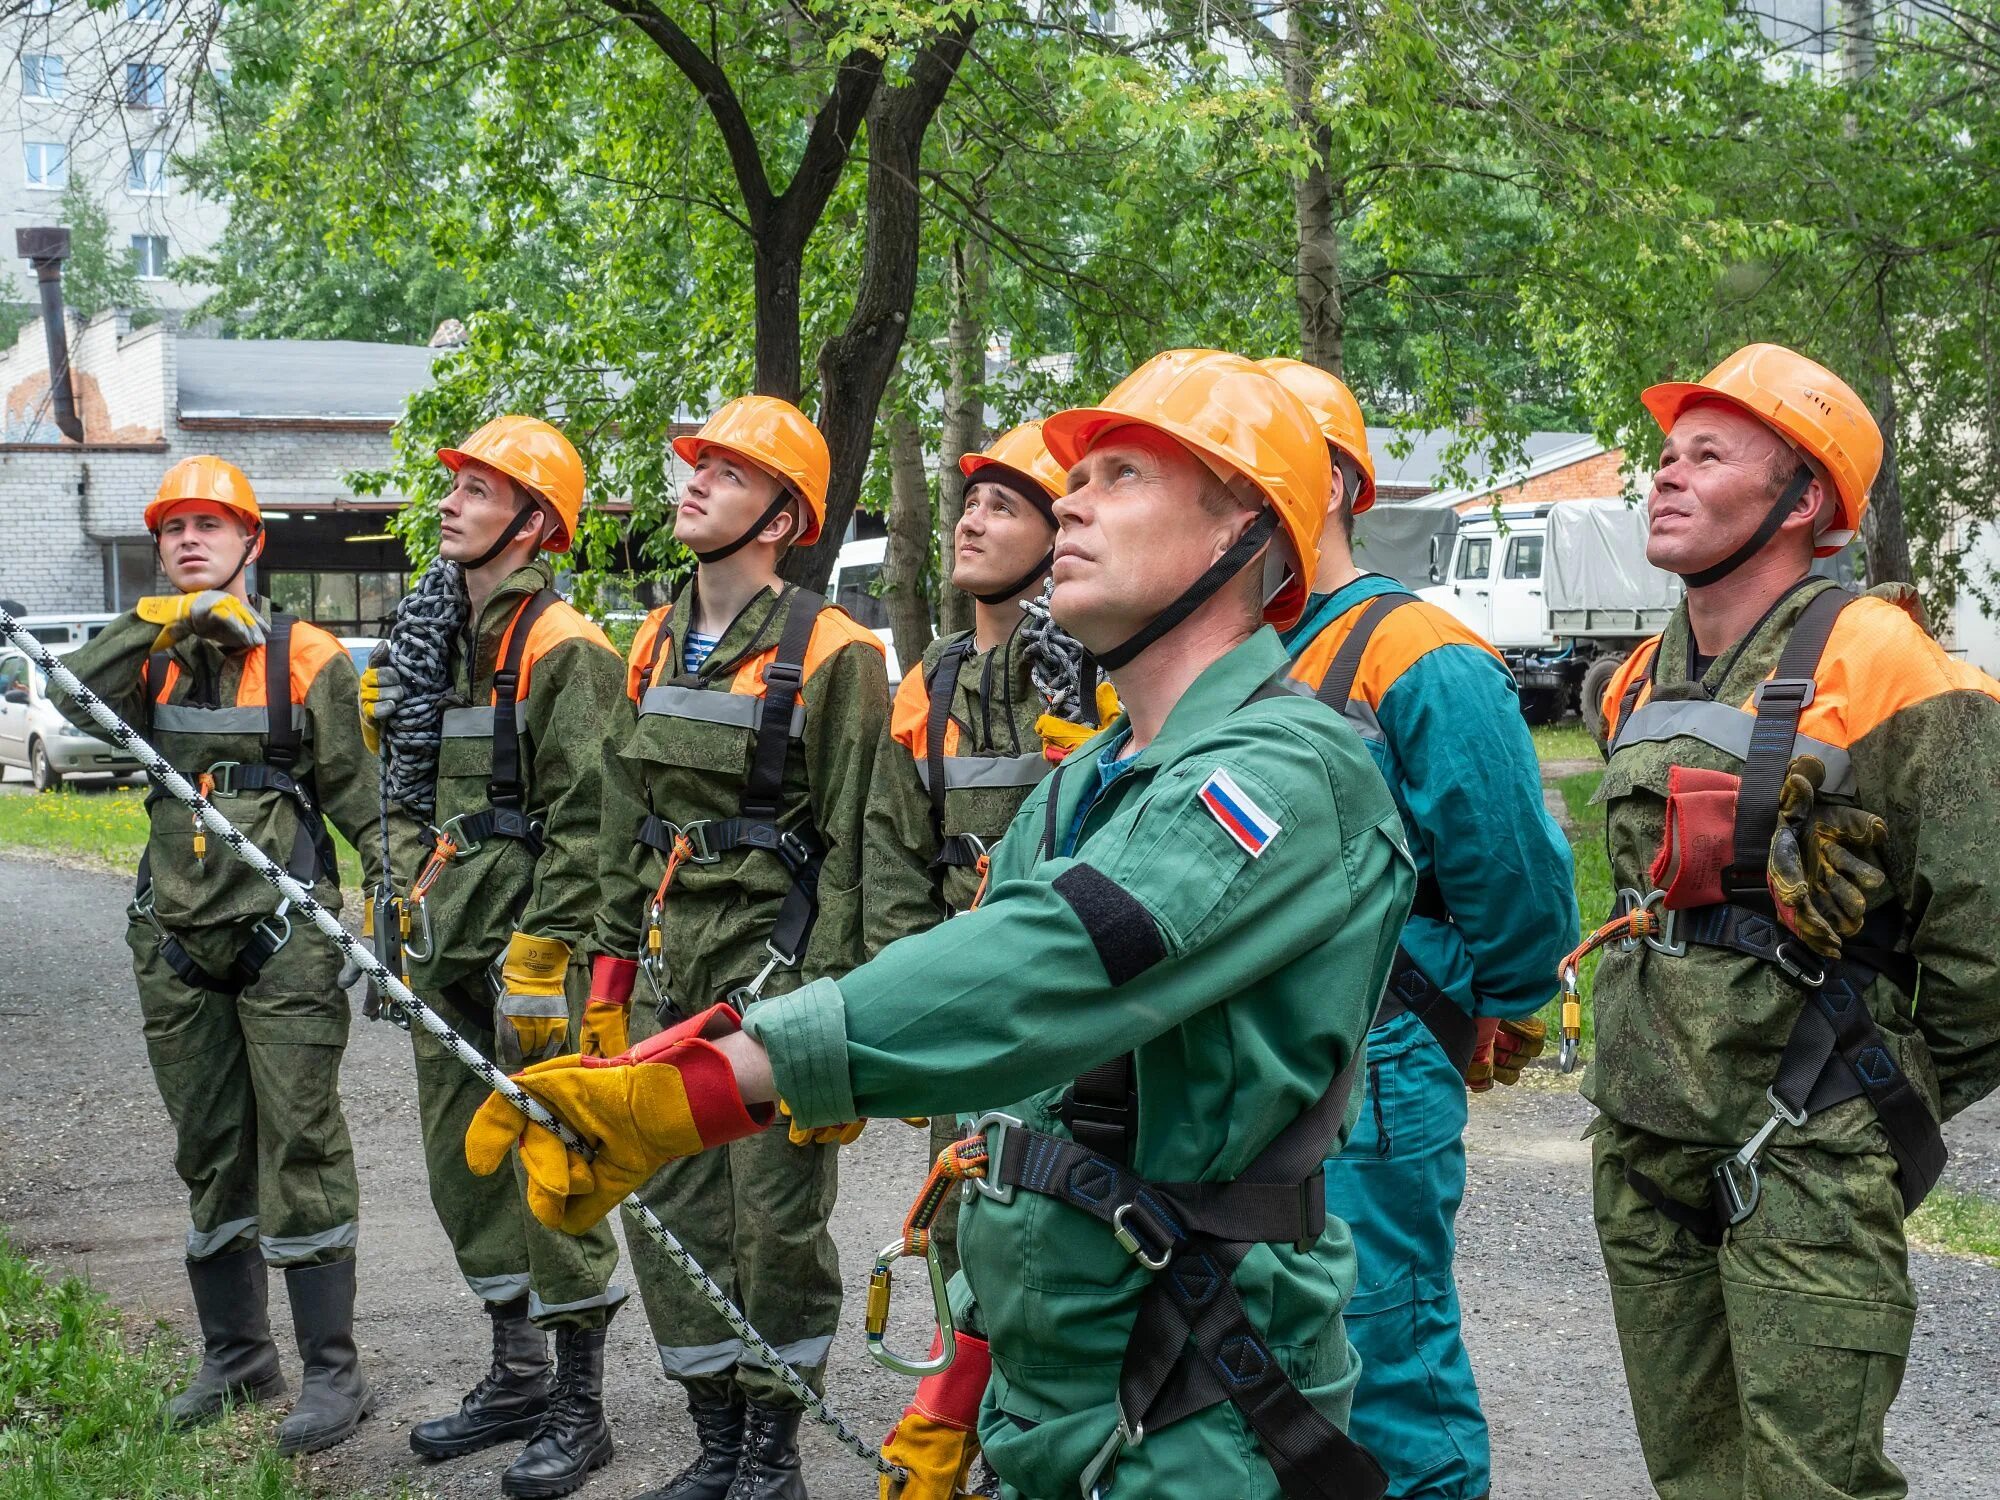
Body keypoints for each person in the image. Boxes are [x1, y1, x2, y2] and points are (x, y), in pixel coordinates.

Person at [468, 350, 1419, 1500]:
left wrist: (703, 1090)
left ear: (1242, 533)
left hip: (1200, 1413)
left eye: (1120, 476)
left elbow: (1050, 966)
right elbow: (1023, 1118)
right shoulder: (1088, 787)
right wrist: (950, 1402)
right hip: (1055, 1408)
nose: (1066, 499)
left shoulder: (1288, 771)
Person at [1584, 343, 2000, 1498]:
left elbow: (1985, 949)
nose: (1663, 475)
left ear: (1802, 497)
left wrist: (1866, 1101)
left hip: (1803, 1153)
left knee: (1811, 1486)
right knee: (1696, 1478)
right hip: (1641, 1149)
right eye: (1663, 455)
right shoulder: (1632, 681)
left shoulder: (1886, 665)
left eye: (1706, 455)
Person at [1262, 357, 1576, 1500]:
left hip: (1383, 1050)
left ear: (1335, 485)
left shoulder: (1419, 655)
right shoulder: (1243, 655)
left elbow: (1516, 879)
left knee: (1380, 1351)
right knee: (1267, 1355)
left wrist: (1497, 1006)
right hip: (1264, 1052)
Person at [584, 395, 893, 1500]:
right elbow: (626, 821)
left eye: (726, 469)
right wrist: (608, 977)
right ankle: (713, 1439)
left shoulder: (835, 652)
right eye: (694, 464)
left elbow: (868, 844)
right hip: (673, 969)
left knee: (775, 1223)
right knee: (670, 1203)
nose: (694, 481)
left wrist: (851, 1028)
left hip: (782, 975)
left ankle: (774, 1448)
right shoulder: (655, 638)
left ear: (781, 515)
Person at [57, 456, 395, 1453]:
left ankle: (335, 1373)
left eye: (211, 525)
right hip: (172, 941)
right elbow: (75, 707)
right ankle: (238, 1358)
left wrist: (389, 913)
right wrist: (158, 619)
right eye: (173, 529)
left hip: (281, 943)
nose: (190, 539)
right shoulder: (150, 658)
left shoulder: (306, 656)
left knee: (299, 1146)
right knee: (209, 1150)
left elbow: (362, 805)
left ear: (253, 542)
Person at [362, 415, 627, 1498]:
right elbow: (405, 804)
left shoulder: (568, 650)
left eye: (477, 490)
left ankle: (580, 1406)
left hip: (532, 958)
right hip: (446, 945)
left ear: (533, 524)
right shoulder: (435, 651)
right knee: (461, 1166)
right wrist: (393, 905)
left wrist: (541, 953)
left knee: (554, 1174)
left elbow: (594, 826)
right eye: (453, 486)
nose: (450, 503)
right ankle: (514, 1373)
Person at [864, 419, 1104, 1283]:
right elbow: (893, 848)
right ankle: (961, 1414)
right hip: (963, 1002)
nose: (970, 522)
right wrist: (897, 1008)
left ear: (1055, 538)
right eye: (968, 504)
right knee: (964, 1224)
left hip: (1072, 1012)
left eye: (1002, 508)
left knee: (1059, 1234)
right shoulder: (933, 675)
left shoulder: (1103, 670)